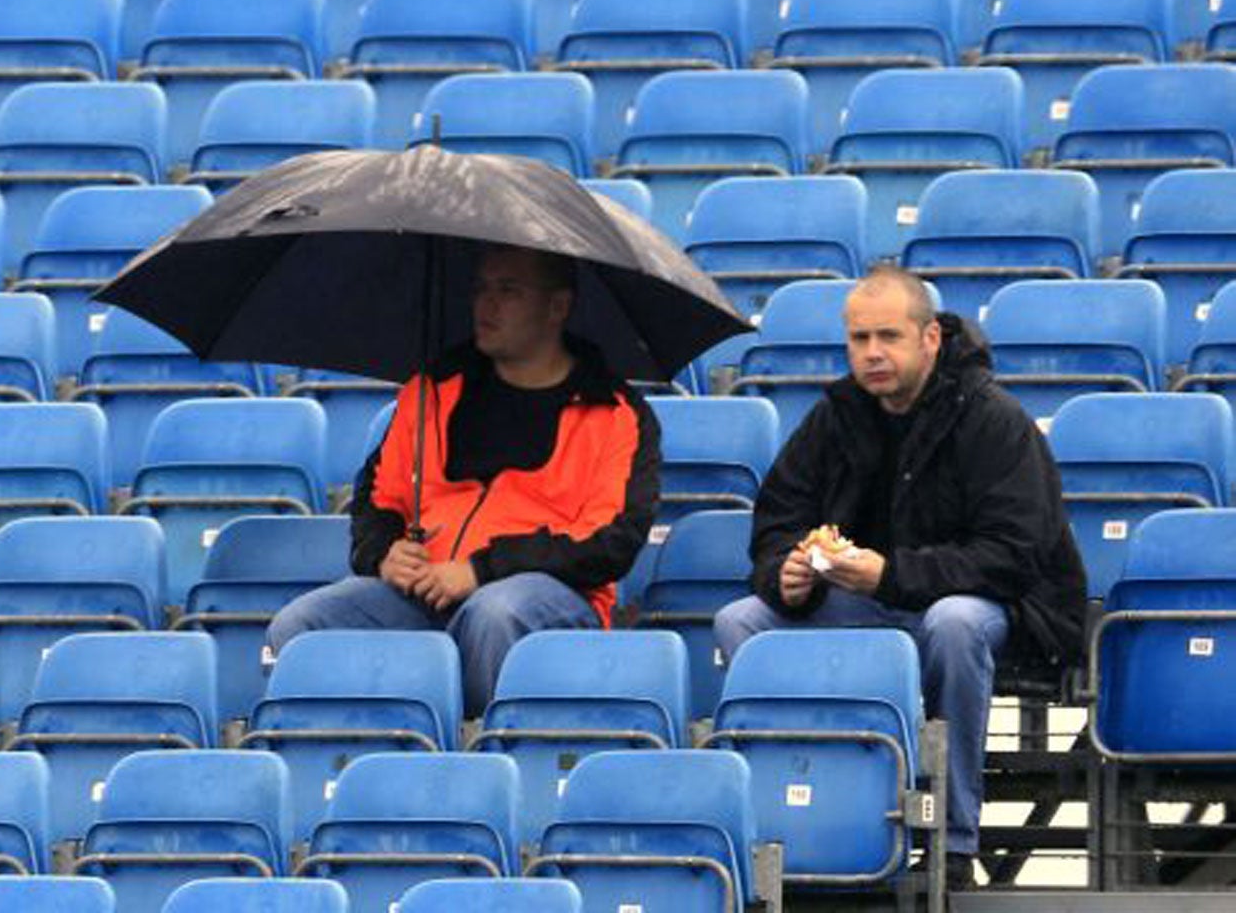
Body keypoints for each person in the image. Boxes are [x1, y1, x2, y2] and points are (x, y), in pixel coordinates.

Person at [713, 265, 1087, 889]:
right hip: (870, 600)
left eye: (888, 336)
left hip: (992, 609)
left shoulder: (993, 418)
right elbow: (778, 518)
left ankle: (956, 840)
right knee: (742, 619)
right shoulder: (835, 415)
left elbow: (1013, 554)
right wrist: (790, 574)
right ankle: (801, 816)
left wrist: (891, 574)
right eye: (859, 339)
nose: (872, 353)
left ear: (931, 339)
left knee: (955, 622)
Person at [265, 242, 662, 717]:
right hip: (424, 592)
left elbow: (612, 542)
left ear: (557, 306)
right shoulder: (433, 390)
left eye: (508, 290)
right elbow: (378, 497)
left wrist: (480, 570)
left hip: (546, 596)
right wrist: (384, 553)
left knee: (493, 613)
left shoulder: (614, 413)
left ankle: (482, 768)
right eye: (480, 289)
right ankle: (368, 760)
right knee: (302, 623)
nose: (486, 304)